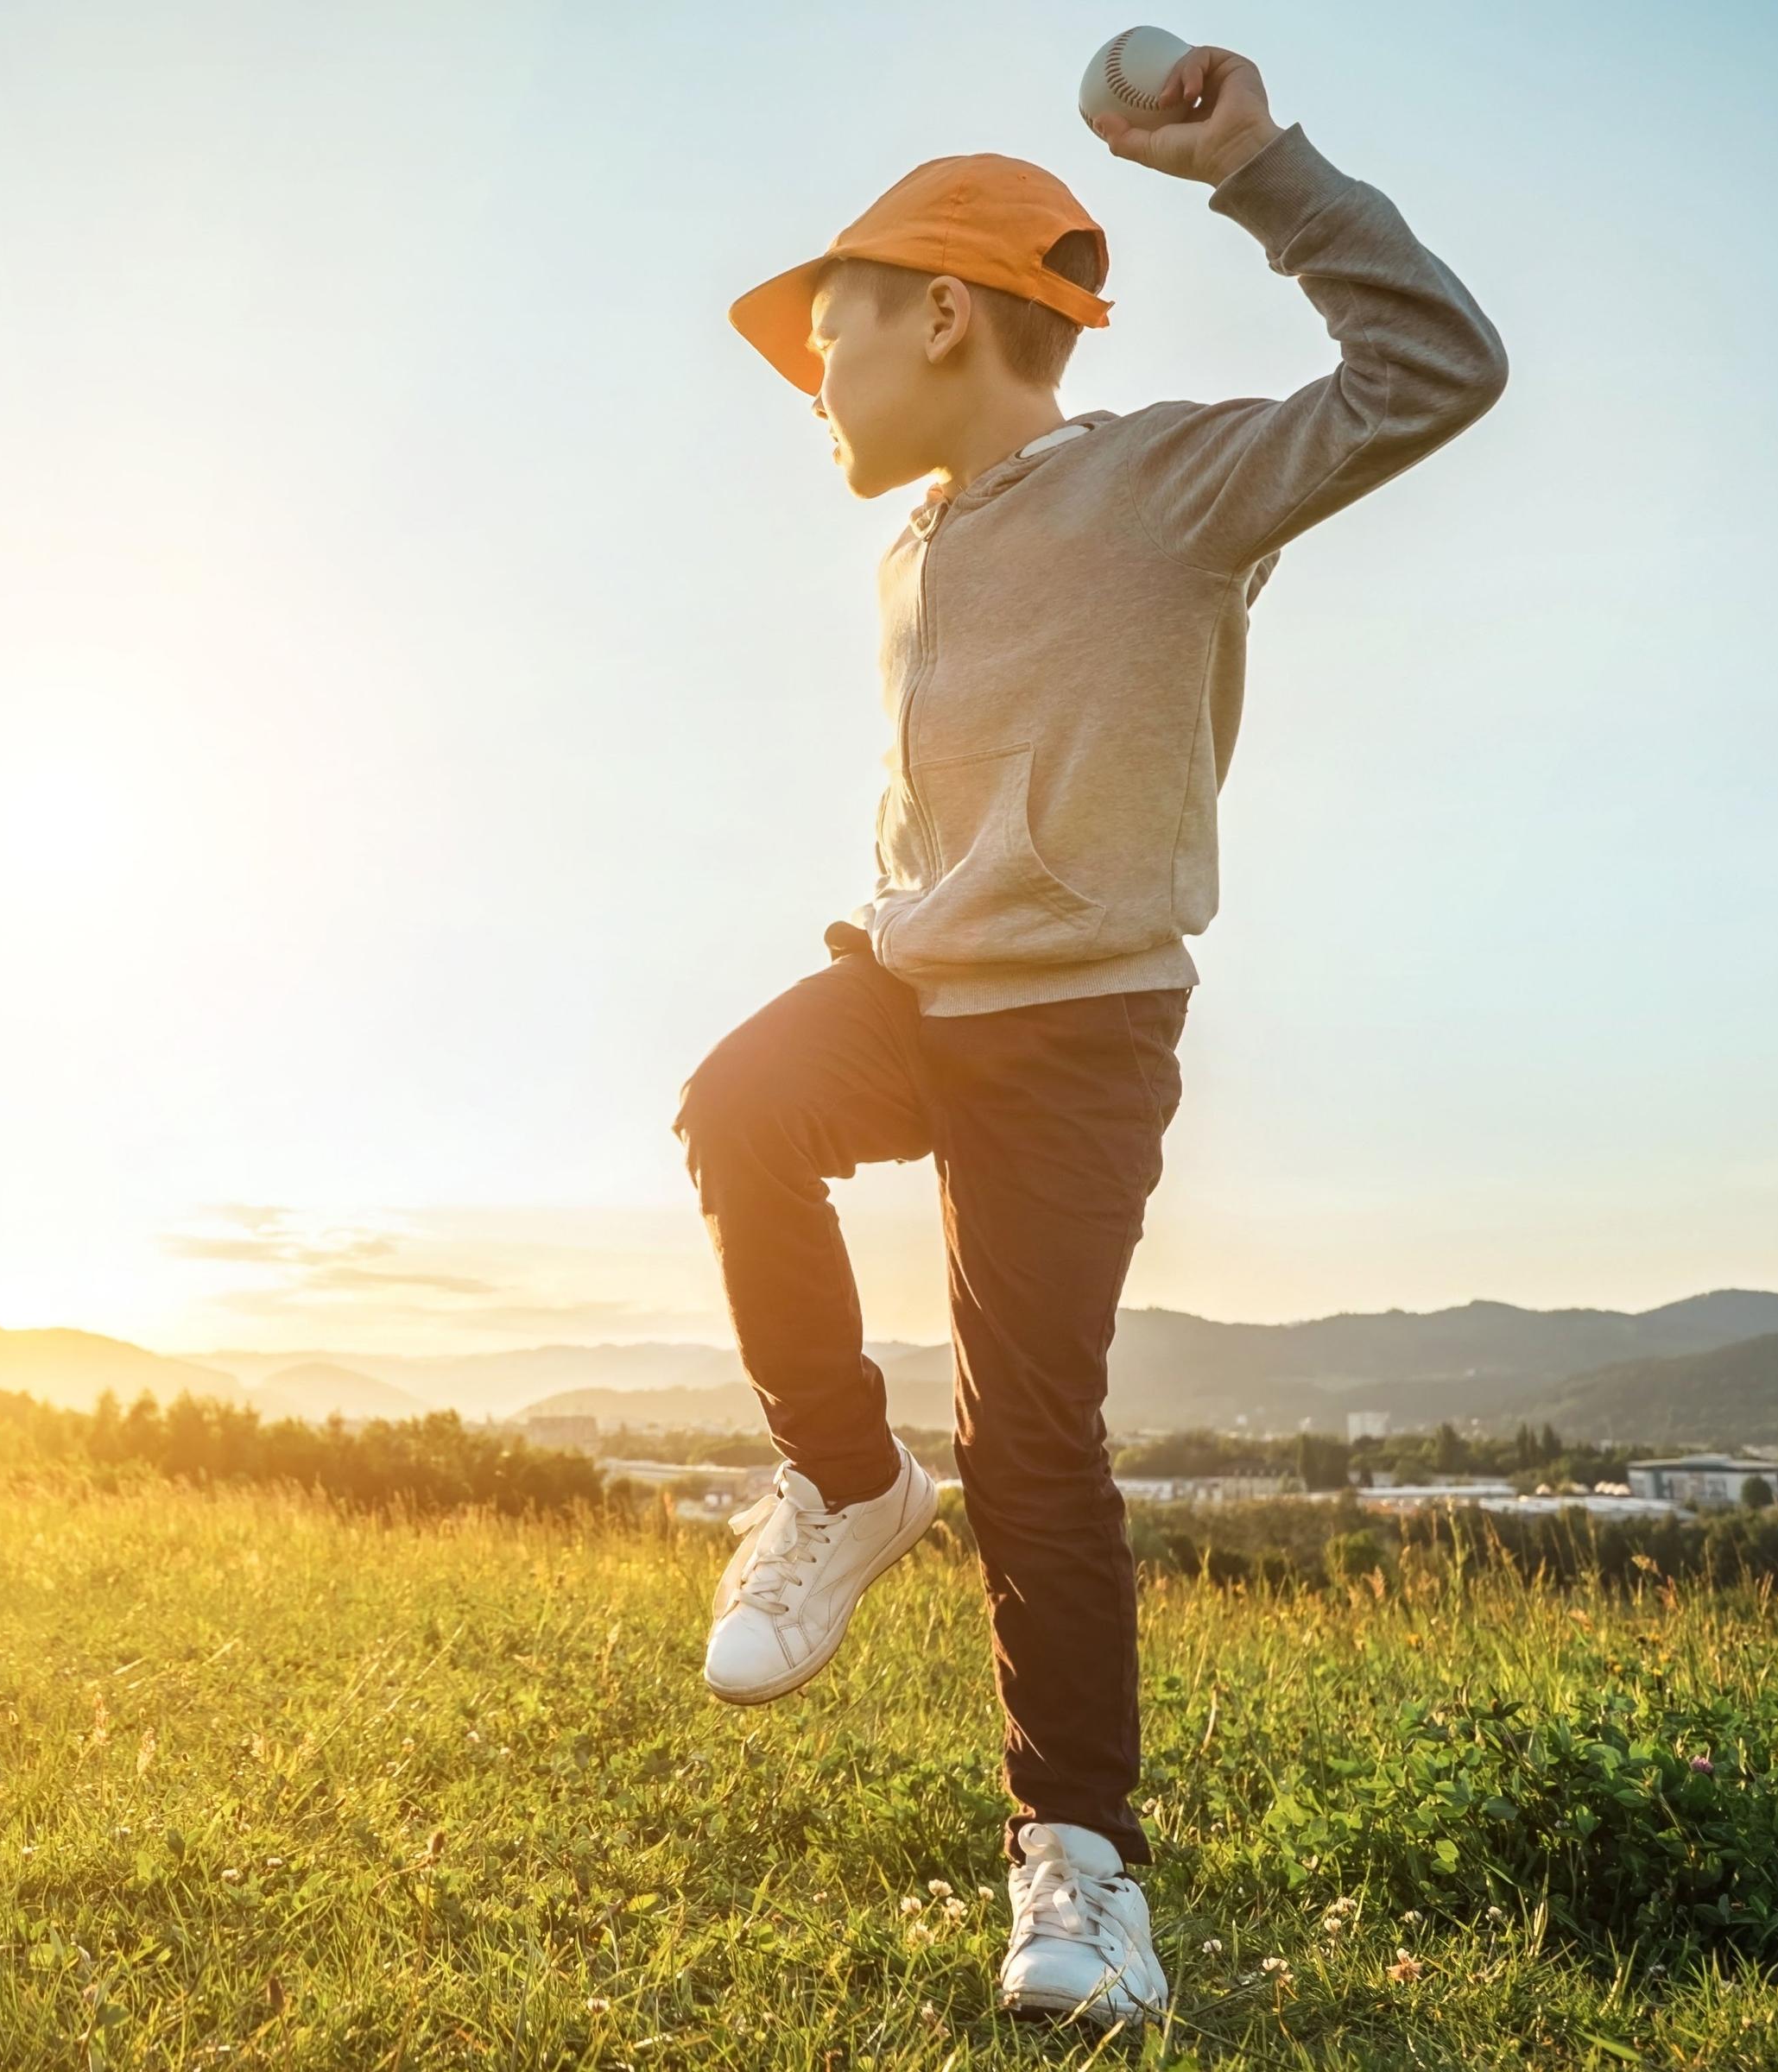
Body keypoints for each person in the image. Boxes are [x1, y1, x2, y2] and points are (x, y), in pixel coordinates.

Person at [676, 47, 1504, 2021]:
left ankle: (1081, 1872)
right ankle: (842, 1481)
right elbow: (941, 808)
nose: (811, 380)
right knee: (741, 1098)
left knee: (1030, 1433)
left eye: (831, 332)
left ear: (940, 312)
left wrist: (1260, 168)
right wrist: (892, 920)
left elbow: (1435, 373)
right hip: (917, 988)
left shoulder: (1158, 486)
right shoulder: (905, 551)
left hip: (1079, 1027)